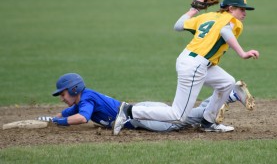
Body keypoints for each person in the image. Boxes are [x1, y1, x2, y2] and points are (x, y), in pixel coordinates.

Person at [113, 0, 259, 135]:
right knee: (178, 115)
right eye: (241, 9)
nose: (244, 12)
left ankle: (208, 122)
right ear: (230, 9)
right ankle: (129, 111)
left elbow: (178, 25)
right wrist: (242, 53)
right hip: (195, 65)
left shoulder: (207, 16)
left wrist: (193, 10)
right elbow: (225, 31)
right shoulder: (231, 21)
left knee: (227, 82)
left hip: (189, 60)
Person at [41, 73, 254, 132]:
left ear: (74, 89)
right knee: (190, 116)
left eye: (63, 92)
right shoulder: (83, 99)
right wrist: (51, 118)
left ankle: (230, 94)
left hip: (142, 117)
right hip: (140, 111)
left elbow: (81, 118)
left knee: (182, 121)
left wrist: (58, 123)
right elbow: (67, 112)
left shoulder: (85, 100)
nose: (61, 96)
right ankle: (228, 94)